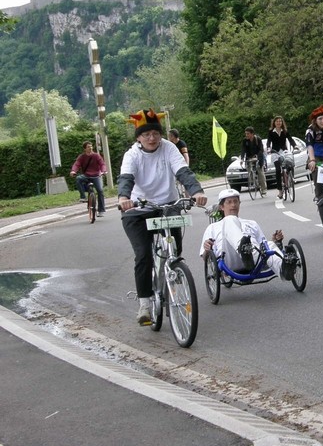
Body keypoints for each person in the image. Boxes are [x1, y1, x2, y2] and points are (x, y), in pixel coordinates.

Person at [118, 108, 208, 326]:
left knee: (174, 250)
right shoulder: (132, 155)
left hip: (167, 206)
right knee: (143, 255)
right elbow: (127, 178)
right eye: (146, 134)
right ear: (138, 137)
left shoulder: (169, 149)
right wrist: (123, 198)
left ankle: (172, 280)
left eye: (155, 133)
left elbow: (183, 171)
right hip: (138, 210)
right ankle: (145, 304)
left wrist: (196, 191)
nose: (151, 138)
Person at [199, 188, 297, 279]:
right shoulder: (212, 227)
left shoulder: (251, 223)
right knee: (230, 219)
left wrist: (276, 241)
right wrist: (207, 249)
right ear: (222, 207)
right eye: (229, 202)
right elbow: (205, 257)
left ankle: (284, 270)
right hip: (230, 260)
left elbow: (263, 245)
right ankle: (243, 250)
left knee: (269, 244)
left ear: (239, 204)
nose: (233, 205)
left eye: (236, 202)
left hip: (254, 258)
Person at [69, 141, 107, 217]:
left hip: (96, 176)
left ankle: (101, 210)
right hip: (86, 175)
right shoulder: (82, 157)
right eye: (88, 147)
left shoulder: (96, 156)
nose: (91, 148)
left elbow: (102, 164)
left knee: (100, 191)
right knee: (79, 178)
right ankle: (83, 197)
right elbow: (77, 164)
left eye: (91, 146)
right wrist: (73, 171)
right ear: (85, 149)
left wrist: (104, 171)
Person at [266, 116, 297, 199]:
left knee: (290, 163)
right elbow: (268, 141)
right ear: (274, 123)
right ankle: (280, 190)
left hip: (284, 151)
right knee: (278, 169)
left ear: (282, 123)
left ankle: (290, 177)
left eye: (280, 121)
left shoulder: (285, 131)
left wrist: (295, 146)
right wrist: (269, 148)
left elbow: (290, 139)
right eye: (277, 121)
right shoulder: (271, 132)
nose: (279, 123)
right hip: (275, 152)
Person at [240, 126, 267, 195]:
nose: (246, 135)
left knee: (260, 171)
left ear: (252, 134)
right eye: (246, 134)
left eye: (248, 134)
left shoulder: (258, 139)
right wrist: (242, 159)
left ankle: (263, 188)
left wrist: (257, 157)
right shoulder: (245, 141)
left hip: (258, 157)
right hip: (249, 157)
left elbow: (261, 149)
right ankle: (254, 181)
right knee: (249, 169)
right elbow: (243, 150)